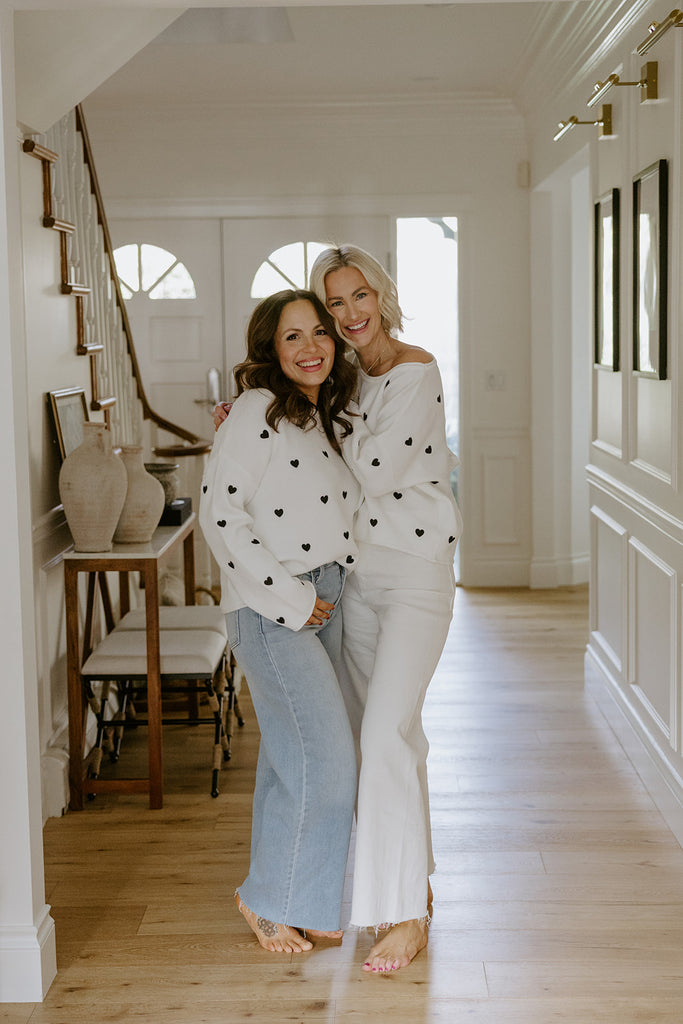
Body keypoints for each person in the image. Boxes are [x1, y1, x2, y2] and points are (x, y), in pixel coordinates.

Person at [309, 244, 463, 973]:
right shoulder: (340, 381)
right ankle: (414, 886)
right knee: (396, 738)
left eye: (358, 296)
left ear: (381, 294)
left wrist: (310, 415)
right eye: (333, 303)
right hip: (358, 581)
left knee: (383, 738)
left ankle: (403, 914)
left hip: (415, 575)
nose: (348, 314)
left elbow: (370, 470)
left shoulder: (414, 370)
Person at [199, 289, 361, 954]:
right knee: (326, 762)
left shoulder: (321, 412)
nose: (310, 347)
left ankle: (301, 897)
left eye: (319, 332)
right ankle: (266, 899)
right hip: (276, 610)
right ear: (269, 348)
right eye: (292, 336)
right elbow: (219, 517)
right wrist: (292, 600)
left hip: (325, 595)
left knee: (289, 760)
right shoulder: (252, 414)